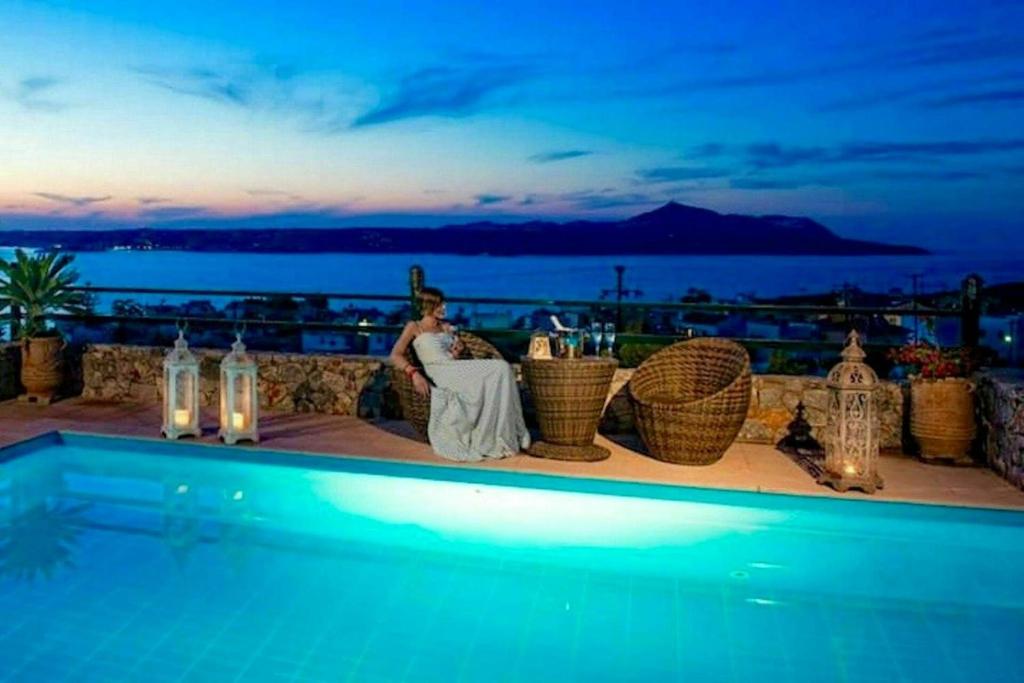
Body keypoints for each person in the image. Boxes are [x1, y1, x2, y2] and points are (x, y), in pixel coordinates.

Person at [389, 287, 530, 462]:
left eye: (444, 304)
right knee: (499, 368)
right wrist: (414, 374)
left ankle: (512, 430)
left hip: (455, 368)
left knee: (502, 369)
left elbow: (452, 355)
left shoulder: (446, 327)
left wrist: (457, 351)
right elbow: (395, 354)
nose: (444, 308)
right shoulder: (414, 327)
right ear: (428, 306)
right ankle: (518, 430)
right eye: (439, 305)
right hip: (439, 372)